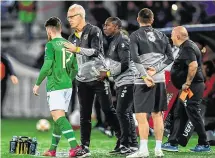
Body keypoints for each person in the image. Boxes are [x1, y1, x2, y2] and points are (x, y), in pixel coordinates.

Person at [63, 4, 121, 156]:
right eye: (68, 17)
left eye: (71, 16)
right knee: (84, 114)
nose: (69, 20)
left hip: (98, 77)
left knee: (108, 110)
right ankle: (85, 146)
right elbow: (73, 59)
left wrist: (76, 49)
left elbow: (95, 52)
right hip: (82, 80)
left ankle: (123, 139)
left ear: (80, 16)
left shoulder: (94, 30)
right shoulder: (71, 37)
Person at [32, 17, 83, 158]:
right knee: (58, 118)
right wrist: (68, 79)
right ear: (60, 28)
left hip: (55, 86)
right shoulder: (69, 44)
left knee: (59, 118)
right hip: (67, 86)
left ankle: (75, 147)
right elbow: (75, 68)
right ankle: (52, 150)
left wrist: (37, 83)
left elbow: (47, 66)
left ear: (49, 30)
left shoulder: (50, 45)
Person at [127, 8, 174, 158]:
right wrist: (156, 70)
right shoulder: (162, 35)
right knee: (157, 115)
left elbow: (134, 58)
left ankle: (144, 150)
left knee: (141, 116)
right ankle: (158, 150)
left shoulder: (135, 35)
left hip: (142, 81)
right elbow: (170, 57)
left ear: (138, 19)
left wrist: (145, 76)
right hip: (159, 79)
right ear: (152, 20)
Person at [162, 26, 211, 152]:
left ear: (178, 36)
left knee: (193, 112)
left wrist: (188, 83)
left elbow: (193, 65)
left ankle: (204, 143)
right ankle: (173, 142)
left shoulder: (188, 47)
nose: (171, 37)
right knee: (179, 112)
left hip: (192, 86)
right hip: (187, 88)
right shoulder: (186, 46)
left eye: (172, 35)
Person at [101, 17, 138, 155]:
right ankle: (132, 144)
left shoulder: (122, 40)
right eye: (104, 25)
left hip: (128, 81)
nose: (104, 27)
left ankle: (125, 143)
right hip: (121, 81)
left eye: (108, 25)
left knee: (121, 112)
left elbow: (125, 64)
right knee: (126, 112)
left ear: (116, 27)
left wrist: (108, 73)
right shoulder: (114, 41)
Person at [1, 53, 19, 118]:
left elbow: (8, 64)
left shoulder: (2, 56)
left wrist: (12, 74)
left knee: (1, 97)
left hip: (2, 80)